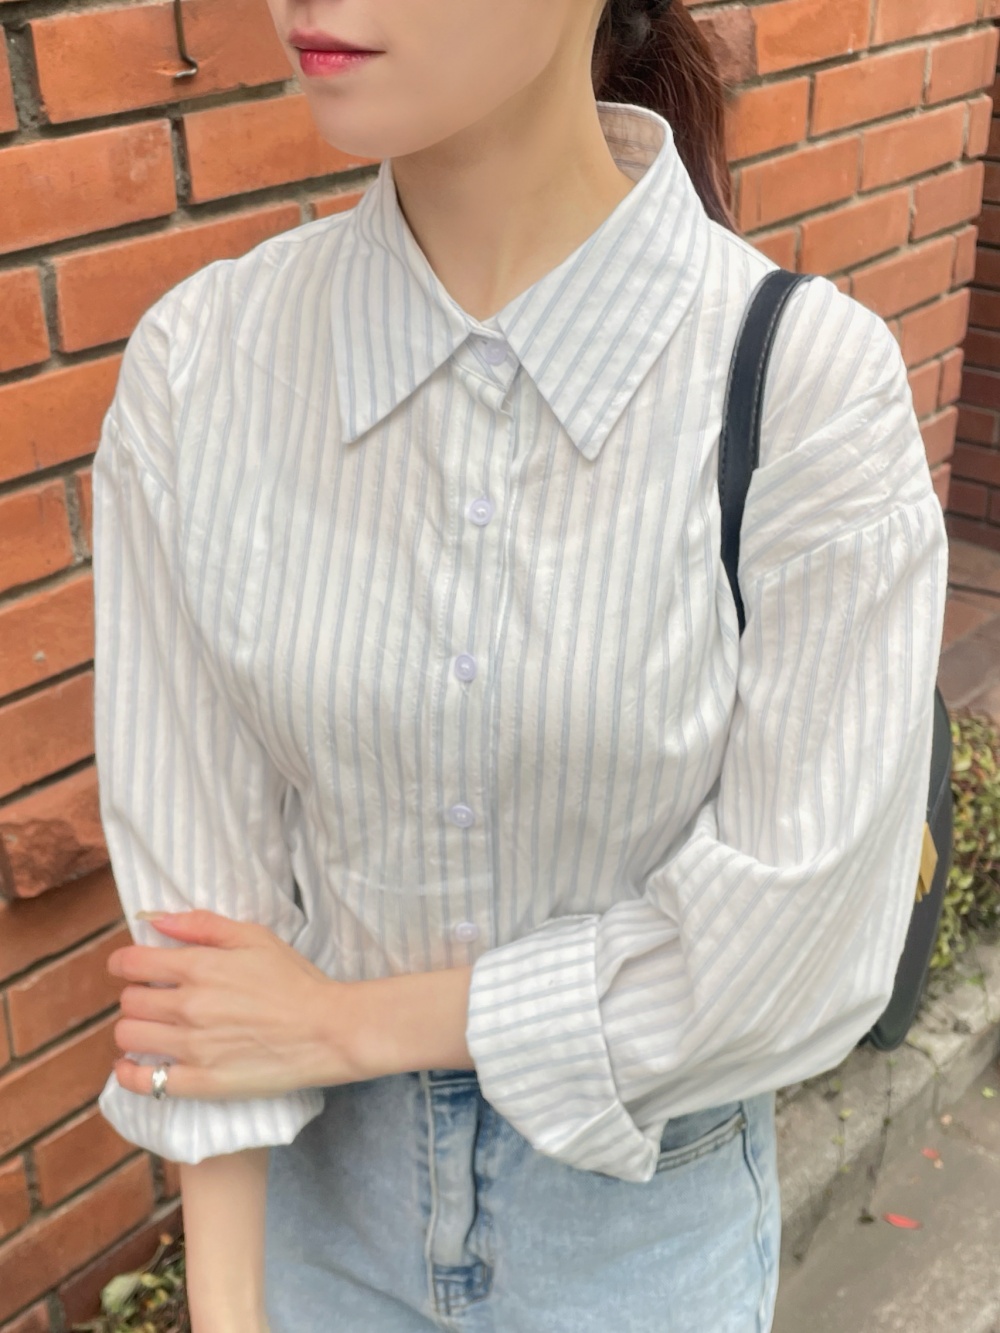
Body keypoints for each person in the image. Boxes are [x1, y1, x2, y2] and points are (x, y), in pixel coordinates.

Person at [91, 0, 949, 1329]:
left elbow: (798, 949)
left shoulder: (805, 390)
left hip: (641, 1234)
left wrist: (343, 1022)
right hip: (315, 1225)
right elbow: (204, 947)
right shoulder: (204, 367)